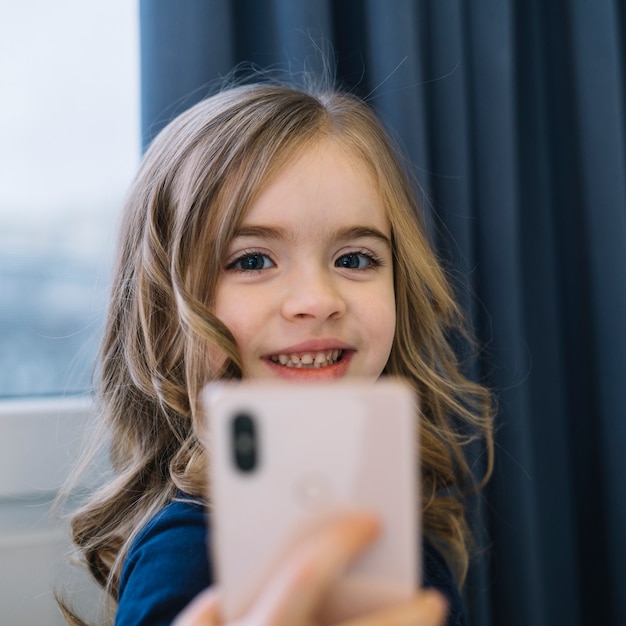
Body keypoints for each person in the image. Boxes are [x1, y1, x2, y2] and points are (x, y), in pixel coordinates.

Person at [59, 78, 494, 626]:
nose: (317, 301)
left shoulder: (383, 521)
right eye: (251, 261)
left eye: (355, 259)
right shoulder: (190, 556)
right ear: (164, 317)